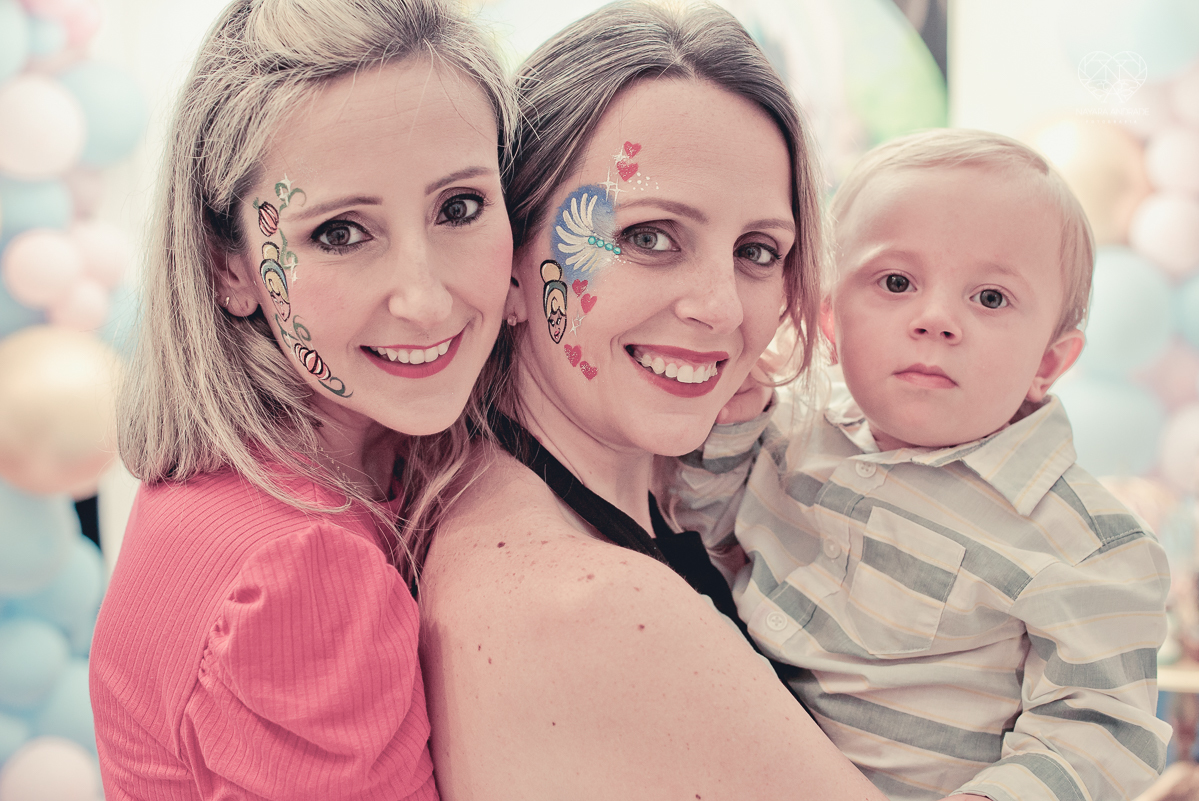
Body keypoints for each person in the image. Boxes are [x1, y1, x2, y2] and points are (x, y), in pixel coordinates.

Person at [417, 3, 891, 799]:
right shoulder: (596, 606)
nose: (722, 307)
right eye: (647, 236)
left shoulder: (555, 496)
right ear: (512, 261)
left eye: (756, 252)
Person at [663, 128, 1173, 801]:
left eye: (990, 298)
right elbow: (705, 536)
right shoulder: (792, 439)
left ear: (1048, 363)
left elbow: (1101, 733)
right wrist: (729, 429)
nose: (936, 319)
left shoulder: (1087, 545)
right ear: (832, 320)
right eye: (896, 281)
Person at [89, 0, 514, 798]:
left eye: (459, 207)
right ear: (231, 267)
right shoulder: (301, 575)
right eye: (341, 233)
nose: (423, 299)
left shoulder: (259, 480)